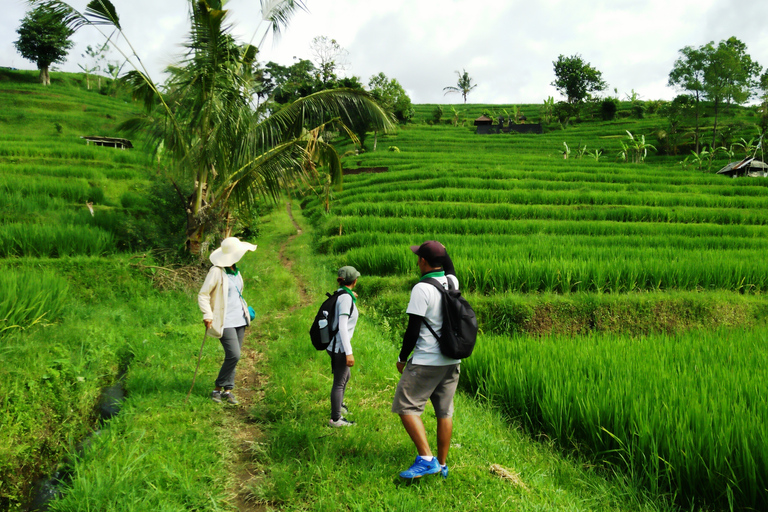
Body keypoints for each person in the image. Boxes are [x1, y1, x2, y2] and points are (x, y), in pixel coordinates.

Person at [392, 240, 460, 479]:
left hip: (426, 361)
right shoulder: (452, 281)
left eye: (418, 257)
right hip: (451, 361)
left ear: (422, 261)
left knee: (405, 406)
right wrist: (442, 250)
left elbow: (413, 330)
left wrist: (402, 358)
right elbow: (449, 266)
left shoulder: (421, 289)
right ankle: (442, 465)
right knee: (444, 412)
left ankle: (426, 459)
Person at [198, 237, 257, 405]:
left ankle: (228, 390)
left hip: (240, 319)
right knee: (234, 355)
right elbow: (203, 294)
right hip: (225, 321)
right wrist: (207, 315)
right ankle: (217, 388)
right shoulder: (216, 271)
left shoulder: (235, 270)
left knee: (235, 357)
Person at [328, 266, 360, 427]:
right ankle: (336, 419)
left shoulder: (342, 294)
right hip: (339, 346)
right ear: (354, 281)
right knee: (339, 381)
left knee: (345, 377)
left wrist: (351, 297)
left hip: (335, 344)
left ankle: (339, 406)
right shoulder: (345, 298)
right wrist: (349, 352)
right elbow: (342, 326)